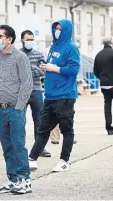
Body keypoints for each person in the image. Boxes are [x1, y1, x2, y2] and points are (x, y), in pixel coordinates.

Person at [28, 20, 80, 172]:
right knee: (43, 129)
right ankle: (32, 159)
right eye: (55, 28)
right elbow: (52, 66)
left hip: (64, 96)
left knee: (66, 130)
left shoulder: (71, 48)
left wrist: (54, 68)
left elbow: (73, 69)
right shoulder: (53, 47)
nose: (57, 31)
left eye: (60, 29)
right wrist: (45, 67)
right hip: (50, 95)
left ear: (66, 30)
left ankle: (64, 161)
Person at [0, 25, 33, 194]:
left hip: (15, 109)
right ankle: (12, 179)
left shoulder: (20, 57)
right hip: (0, 110)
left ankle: (25, 181)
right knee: (7, 147)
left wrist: (19, 106)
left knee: (18, 145)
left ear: (9, 39)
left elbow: (27, 84)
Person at [20, 30, 51, 158]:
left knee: (39, 120)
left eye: (32, 39)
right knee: (20, 121)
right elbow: (18, 73)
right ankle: (20, 148)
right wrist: (33, 69)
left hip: (37, 90)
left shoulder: (38, 54)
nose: (30, 42)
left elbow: (43, 71)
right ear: (22, 40)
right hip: (21, 92)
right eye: (28, 39)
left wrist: (29, 67)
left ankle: (40, 148)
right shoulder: (17, 55)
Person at [44, 42, 77, 145]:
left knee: (66, 115)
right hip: (53, 88)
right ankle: (55, 137)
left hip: (66, 89)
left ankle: (67, 135)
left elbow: (73, 69)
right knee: (54, 114)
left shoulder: (70, 49)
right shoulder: (48, 50)